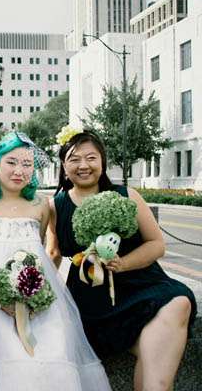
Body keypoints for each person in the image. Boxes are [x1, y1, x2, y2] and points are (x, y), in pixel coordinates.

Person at [0, 132, 111, 391]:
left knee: (55, 344)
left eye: (27, 164)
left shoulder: (40, 205)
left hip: (37, 301)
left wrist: (34, 297)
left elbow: (42, 256)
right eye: (11, 162)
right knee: (6, 349)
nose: (19, 171)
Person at [47, 128, 196, 391]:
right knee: (154, 354)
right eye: (74, 159)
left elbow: (156, 244)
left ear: (102, 161)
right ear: (64, 166)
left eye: (91, 158)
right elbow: (53, 254)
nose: (83, 165)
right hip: (91, 295)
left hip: (142, 285)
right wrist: (40, 297)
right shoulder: (55, 206)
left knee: (179, 301)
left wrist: (123, 263)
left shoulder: (126, 196)